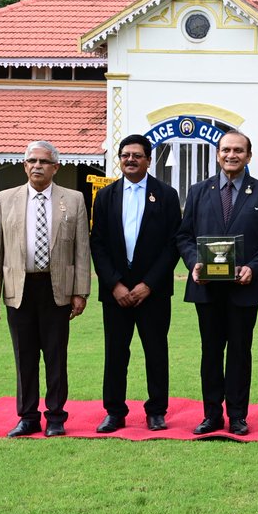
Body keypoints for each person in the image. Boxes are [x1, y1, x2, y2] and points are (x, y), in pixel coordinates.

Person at [0, 141, 91, 438]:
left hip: (57, 288)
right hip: (18, 288)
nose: (37, 166)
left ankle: (56, 417)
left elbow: (82, 250)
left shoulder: (74, 200)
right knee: (25, 356)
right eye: (31, 161)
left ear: (56, 167)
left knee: (56, 356)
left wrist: (81, 291)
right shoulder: (5, 199)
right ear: (24, 165)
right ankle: (28, 417)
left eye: (44, 161)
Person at [176, 130, 258, 436]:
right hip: (207, 287)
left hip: (245, 288)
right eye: (226, 150)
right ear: (218, 154)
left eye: (238, 150)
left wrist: (254, 268)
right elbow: (184, 236)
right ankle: (211, 415)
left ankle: (237, 416)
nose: (231, 155)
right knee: (210, 352)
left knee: (239, 353)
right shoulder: (198, 191)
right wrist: (193, 262)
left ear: (249, 156)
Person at [89, 134, 181, 433]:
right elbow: (97, 243)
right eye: (125, 155)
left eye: (137, 155)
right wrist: (114, 284)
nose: (130, 160)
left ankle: (156, 411)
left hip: (153, 291)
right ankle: (114, 412)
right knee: (115, 353)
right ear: (119, 159)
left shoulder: (166, 195)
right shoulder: (106, 196)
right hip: (116, 292)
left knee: (156, 352)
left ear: (148, 160)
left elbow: (173, 245)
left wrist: (149, 284)